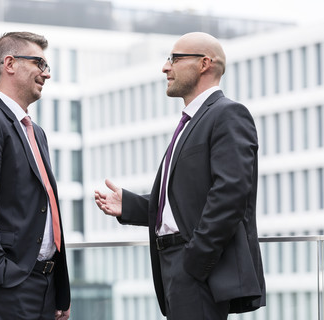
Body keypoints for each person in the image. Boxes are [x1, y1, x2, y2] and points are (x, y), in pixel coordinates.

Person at [95, 32, 265, 319]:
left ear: (204, 64)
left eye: (174, 58)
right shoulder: (190, 122)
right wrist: (130, 205)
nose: (165, 67)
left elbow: (230, 194)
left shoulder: (227, 114)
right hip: (173, 265)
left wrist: (195, 261)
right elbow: (183, 199)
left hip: (196, 268)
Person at [0, 32, 70, 320]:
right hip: (9, 286)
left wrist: (57, 288)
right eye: (40, 63)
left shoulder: (36, 132)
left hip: (44, 286)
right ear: (10, 63)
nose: (47, 74)